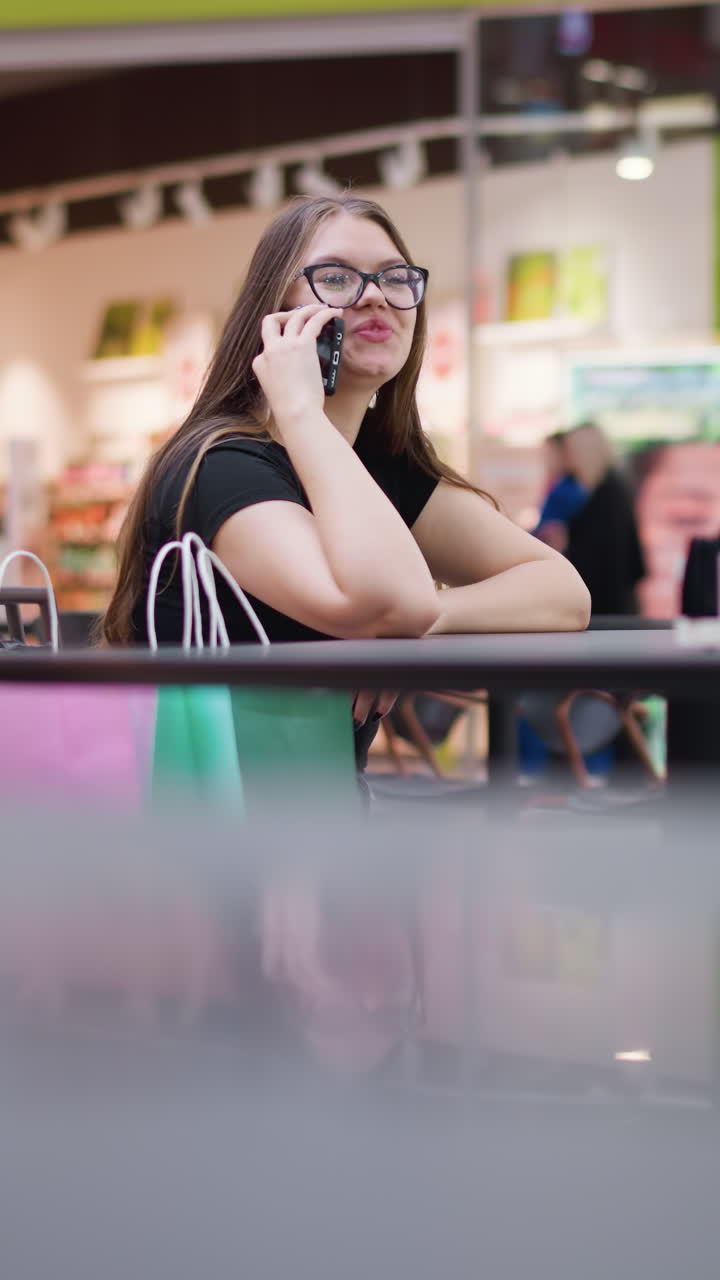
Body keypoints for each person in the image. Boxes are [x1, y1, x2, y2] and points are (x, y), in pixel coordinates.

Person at [100, 193, 590, 767]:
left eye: (395, 277)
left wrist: (420, 627)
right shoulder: (221, 465)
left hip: (320, 820)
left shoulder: (385, 464)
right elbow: (386, 604)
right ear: (274, 313)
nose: (377, 295)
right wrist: (302, 411)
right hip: (211, 829)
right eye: (336, 278)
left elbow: (562, 593)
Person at [562, 422, 645, 616]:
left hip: (610, 605)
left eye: (570, 449)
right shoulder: (598, 489)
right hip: (609, 599)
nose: (567, 456)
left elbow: (609, 557)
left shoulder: (608, 494)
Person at [533, 430, 588, 551]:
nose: (545, 458)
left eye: (549, 453)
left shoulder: (568, 489)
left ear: (563, 454)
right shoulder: (557, 483)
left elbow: (550, 530)